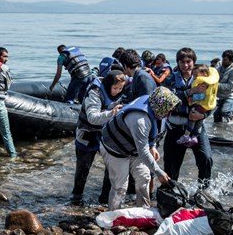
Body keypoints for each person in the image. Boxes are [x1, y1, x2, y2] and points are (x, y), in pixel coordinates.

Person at [100, 86, 176, 210]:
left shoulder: (153, 105)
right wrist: (159, 173)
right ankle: (113, 214)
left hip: (134, 148)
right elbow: (143, 152)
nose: (169, 114)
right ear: (160, 106)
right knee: (120, 186)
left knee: (144, 177)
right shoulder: (140, 120)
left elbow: (152, 134)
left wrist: (153, 146)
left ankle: (143, 210)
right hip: (115, 148)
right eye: (168, 110)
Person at [71, 70, 126, 206]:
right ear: (108, 85)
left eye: (120, 89)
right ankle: (77, 197)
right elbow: (92, 117)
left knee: (111, 167)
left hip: (106, 134)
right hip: (87, 135)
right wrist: (111, 113)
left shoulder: (118, 93)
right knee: (83, 168)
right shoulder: (95, 93)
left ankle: (104, 198)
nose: (117, 92)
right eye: (115, 88)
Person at [163, 47, 213, 188]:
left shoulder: (203, 78)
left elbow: (211, 101)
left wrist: (203, 114)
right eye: (182, 62)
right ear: (177, 62)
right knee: (171, 164)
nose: (185, 65)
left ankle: (203, 190)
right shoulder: (170, 79)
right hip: (175, 127)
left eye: (188, 61)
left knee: (206, 158)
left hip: (196, 127)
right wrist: (191, 91)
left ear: (193, 62)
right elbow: (166, 99)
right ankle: (170, 191)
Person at [176, 64, 219, 147]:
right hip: (207, 106)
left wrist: (192, 98)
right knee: (199, 121)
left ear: (205, 74)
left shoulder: (203, 83)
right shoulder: (210, 82)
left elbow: (202, 95)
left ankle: (186, 135)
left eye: (195, 75)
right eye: (193, 75)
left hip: (200, 106)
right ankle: (194, 137)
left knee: (192, 118)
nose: (194, 77)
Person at [213, 50, 233, 123]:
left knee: (225, 112)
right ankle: (219, 131)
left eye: (225, 60)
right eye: (223, 59)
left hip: (230, 94)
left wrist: (215, 85)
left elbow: (230, 86)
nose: (223, 61)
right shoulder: (219, 65)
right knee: (216, 115)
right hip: (220, 95)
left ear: (231, 61)